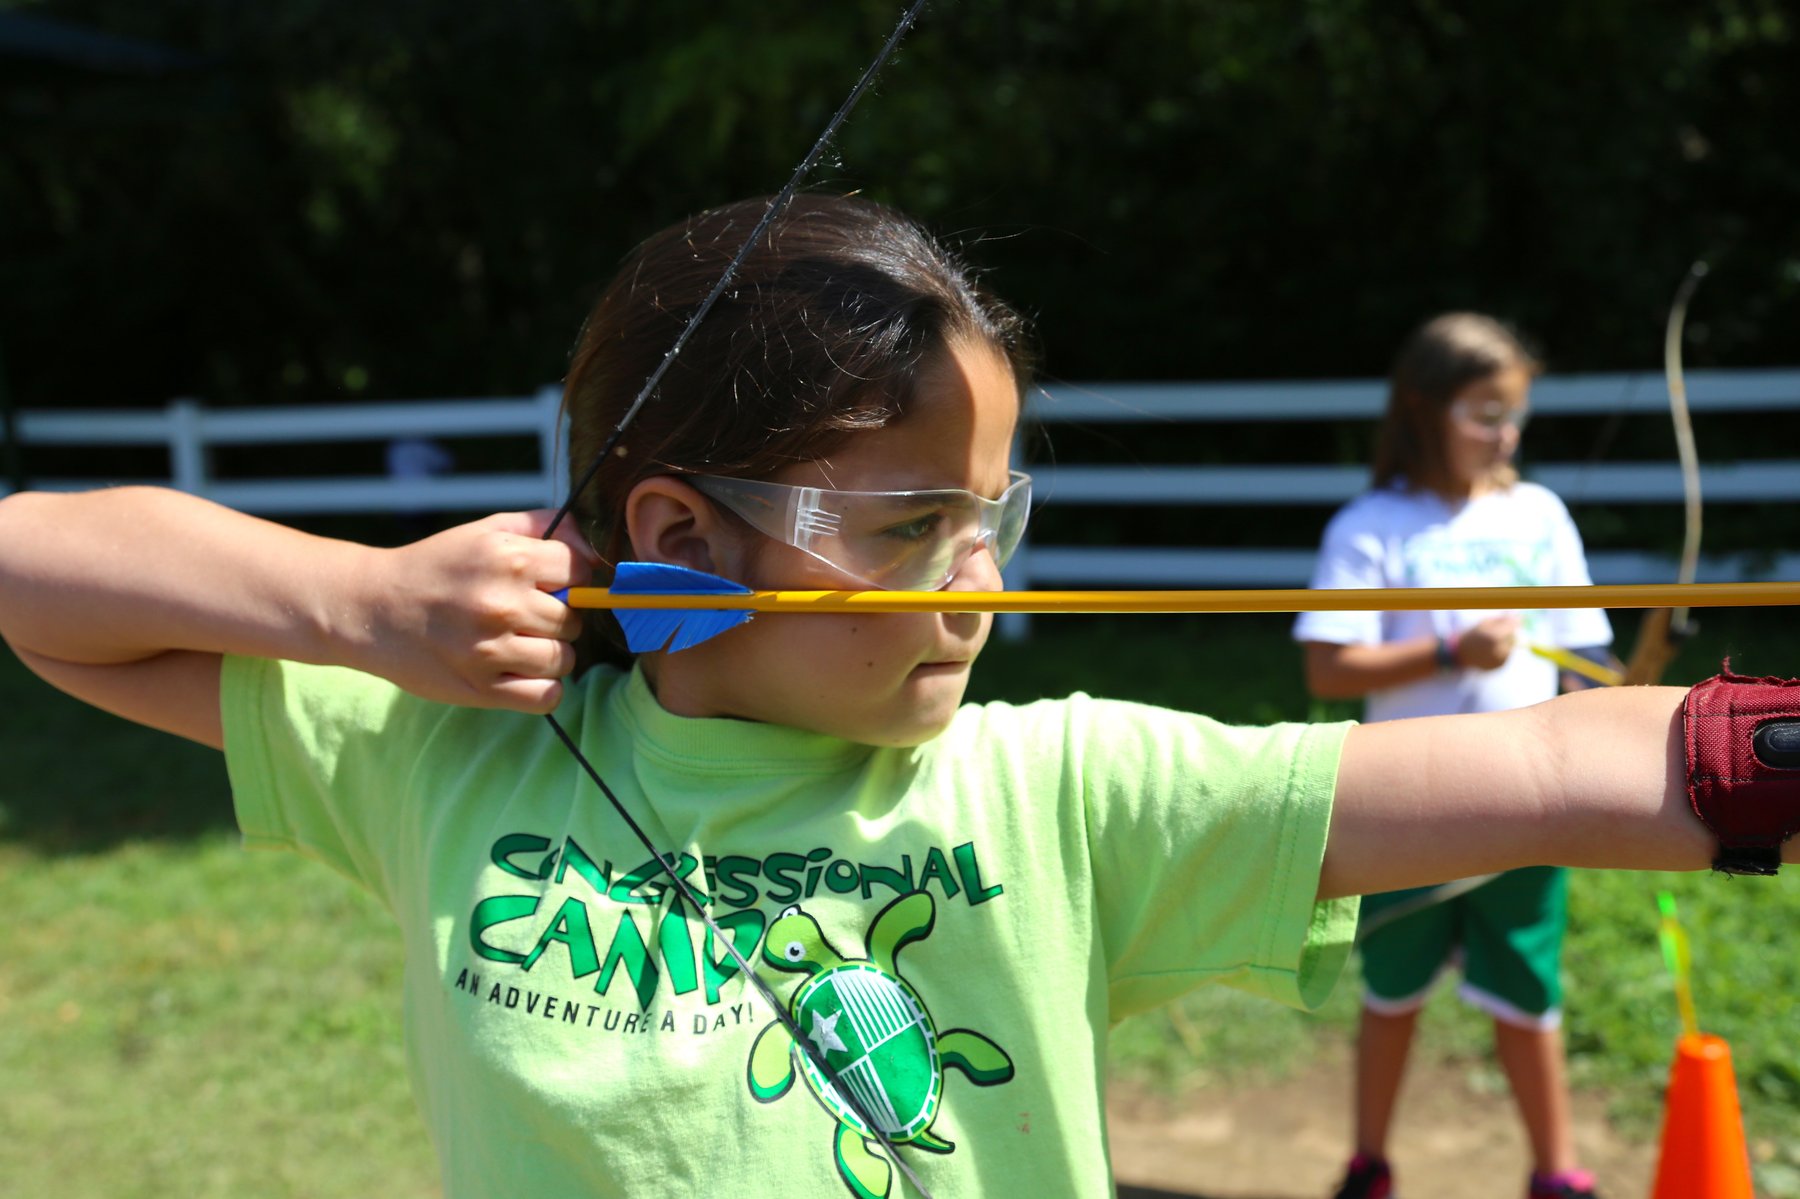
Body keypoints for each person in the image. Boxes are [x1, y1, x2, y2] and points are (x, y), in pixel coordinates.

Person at [0, 197, 1792, 1199]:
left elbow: (1573, 755)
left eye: (993, 517)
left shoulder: (1070, 795)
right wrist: (361, 601)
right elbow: (38, 575)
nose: (980, 582)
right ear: (679, 534)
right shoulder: (448, 748)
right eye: (910, 523)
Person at [1295, 313, 1619, 1199]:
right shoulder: (1375, 523)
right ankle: (1369, 1165)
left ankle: (1555, 1173)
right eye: (1484, 413)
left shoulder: (1541, 515)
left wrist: (1614, 694)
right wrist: (1446, 654)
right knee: (1392, 988)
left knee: (1528, 991)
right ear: (1424, 408)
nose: (1505, 434)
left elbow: (1589, 660)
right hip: (1405, 801)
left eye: (1513, 415)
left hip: (1530, 805)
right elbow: (1327, 665)